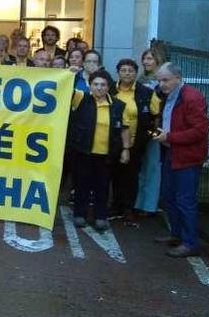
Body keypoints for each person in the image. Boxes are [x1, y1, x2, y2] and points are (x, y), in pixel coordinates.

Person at [153, 62, 209, 257]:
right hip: (171, 152)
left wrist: (169, 137)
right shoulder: (170, 95)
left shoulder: (192, 97)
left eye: (166, 80)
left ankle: (190, 243)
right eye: (159, 80)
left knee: (185, 200)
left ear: (178, 78)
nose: (162, 84)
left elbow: (199, 131)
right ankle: (177, 234)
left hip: (187, 157)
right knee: (168, 196)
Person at [68, 69, 131, 231]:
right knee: (82, 184)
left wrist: (125, 149)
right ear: (90, 86)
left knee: (102, 186)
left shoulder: (118, 106)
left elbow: (124, 129)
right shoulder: (80, 99)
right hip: (83, 152)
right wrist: (71, 74)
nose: (99, 88)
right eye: (95, 84)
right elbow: (66, 89)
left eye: (103, 85)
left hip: (106, 155)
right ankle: (79, 214)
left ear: (108, 86)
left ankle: (100, 216)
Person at [111, 58, 159, 225]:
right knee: (115, 174)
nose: (127, 73)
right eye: (123, 70)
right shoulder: (110, 90)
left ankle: (128, 208)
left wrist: (149, 134)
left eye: (130, 70)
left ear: (136, 73)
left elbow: (155, 113)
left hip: (136, 142)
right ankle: (116, 206)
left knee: (131, 176)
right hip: (113, 141)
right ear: (118, 72)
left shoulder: (145, 92)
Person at [135, 48, 165, 215]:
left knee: (152, 167)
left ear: (157, 61)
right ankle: (140, 202)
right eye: (144, 58)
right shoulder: (141, 79)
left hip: (155, 129)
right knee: (141, 167)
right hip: (141, 128)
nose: (146, 62)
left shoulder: (161, 82)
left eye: (150, 59)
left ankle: (149, 205)